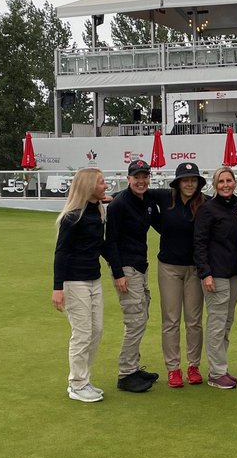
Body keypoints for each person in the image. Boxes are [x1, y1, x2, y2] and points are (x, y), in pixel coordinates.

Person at [51, 167, 112, 403]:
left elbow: (100, 244)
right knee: (82, 333)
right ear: (88, 186)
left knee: (96, 330)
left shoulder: (97, 211)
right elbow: (61, 253)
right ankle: (76, 384)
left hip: (94, 279)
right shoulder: (72, 216)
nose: (105, 185)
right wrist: (58, 289)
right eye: (101, 182)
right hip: (74, 281)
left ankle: (84, 379)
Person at [147, 161, 207, 388]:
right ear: (178, 182)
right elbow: (137, 192)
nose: (189, 184)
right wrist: (109, 197)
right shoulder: (165, 197)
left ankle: (193, 366)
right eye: (185, 180)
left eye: (193, 180)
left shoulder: (205, 202)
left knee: (194, 321)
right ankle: (173, 369)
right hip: (169, 267)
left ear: (198, 183)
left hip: (195, 269)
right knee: (171, 320)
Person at [105, 158, 160, 393]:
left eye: (144, 176)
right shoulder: (118, 205)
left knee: (141, 315)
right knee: (135, 320)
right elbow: (110, 242)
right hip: (126, 269)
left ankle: (133, 367)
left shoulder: (145, 200)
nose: (141, 180)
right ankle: (126, 374)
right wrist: (118, 274)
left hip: (141, 266)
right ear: (128, 179)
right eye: (136, 177)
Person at [194, 166, 237, 390]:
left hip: (235, 274)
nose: (225, 185)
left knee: (227, 323)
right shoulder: (208, 209)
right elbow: (200, 243)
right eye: (221, 181)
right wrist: (206, 273)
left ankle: (220, 367)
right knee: (217, 323)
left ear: (234, 182)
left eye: (229, 180)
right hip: (216, 275)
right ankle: (216, 373)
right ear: (215, 185)